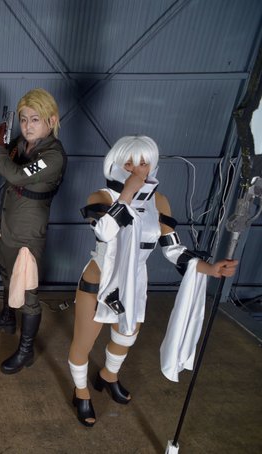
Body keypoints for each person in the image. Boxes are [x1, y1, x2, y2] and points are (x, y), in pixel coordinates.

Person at [67, 135, 238, 427]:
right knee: (84, 343)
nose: (137, 169)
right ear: (115, 163)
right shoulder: (101, 197)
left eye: (144, 163)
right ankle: (81, 391)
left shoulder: (159, 202)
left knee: (125, 338)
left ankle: (108, 375)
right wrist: (127, 194)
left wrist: (210, 269)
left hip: (134, 284)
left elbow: (173, 249)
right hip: (99, 282)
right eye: (129, 163)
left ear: (153, 165)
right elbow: (104, 232)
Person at [0, 88, 67, 374]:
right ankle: (8, 317)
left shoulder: (53, 156)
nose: (28, 126)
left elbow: (15, 174)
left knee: (29, 292)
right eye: (24, 119)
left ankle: (26, 350)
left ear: (51, 120)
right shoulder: (22, 144)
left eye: (35, 119)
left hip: (29, 233)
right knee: (6, 272)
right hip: (7, 223)